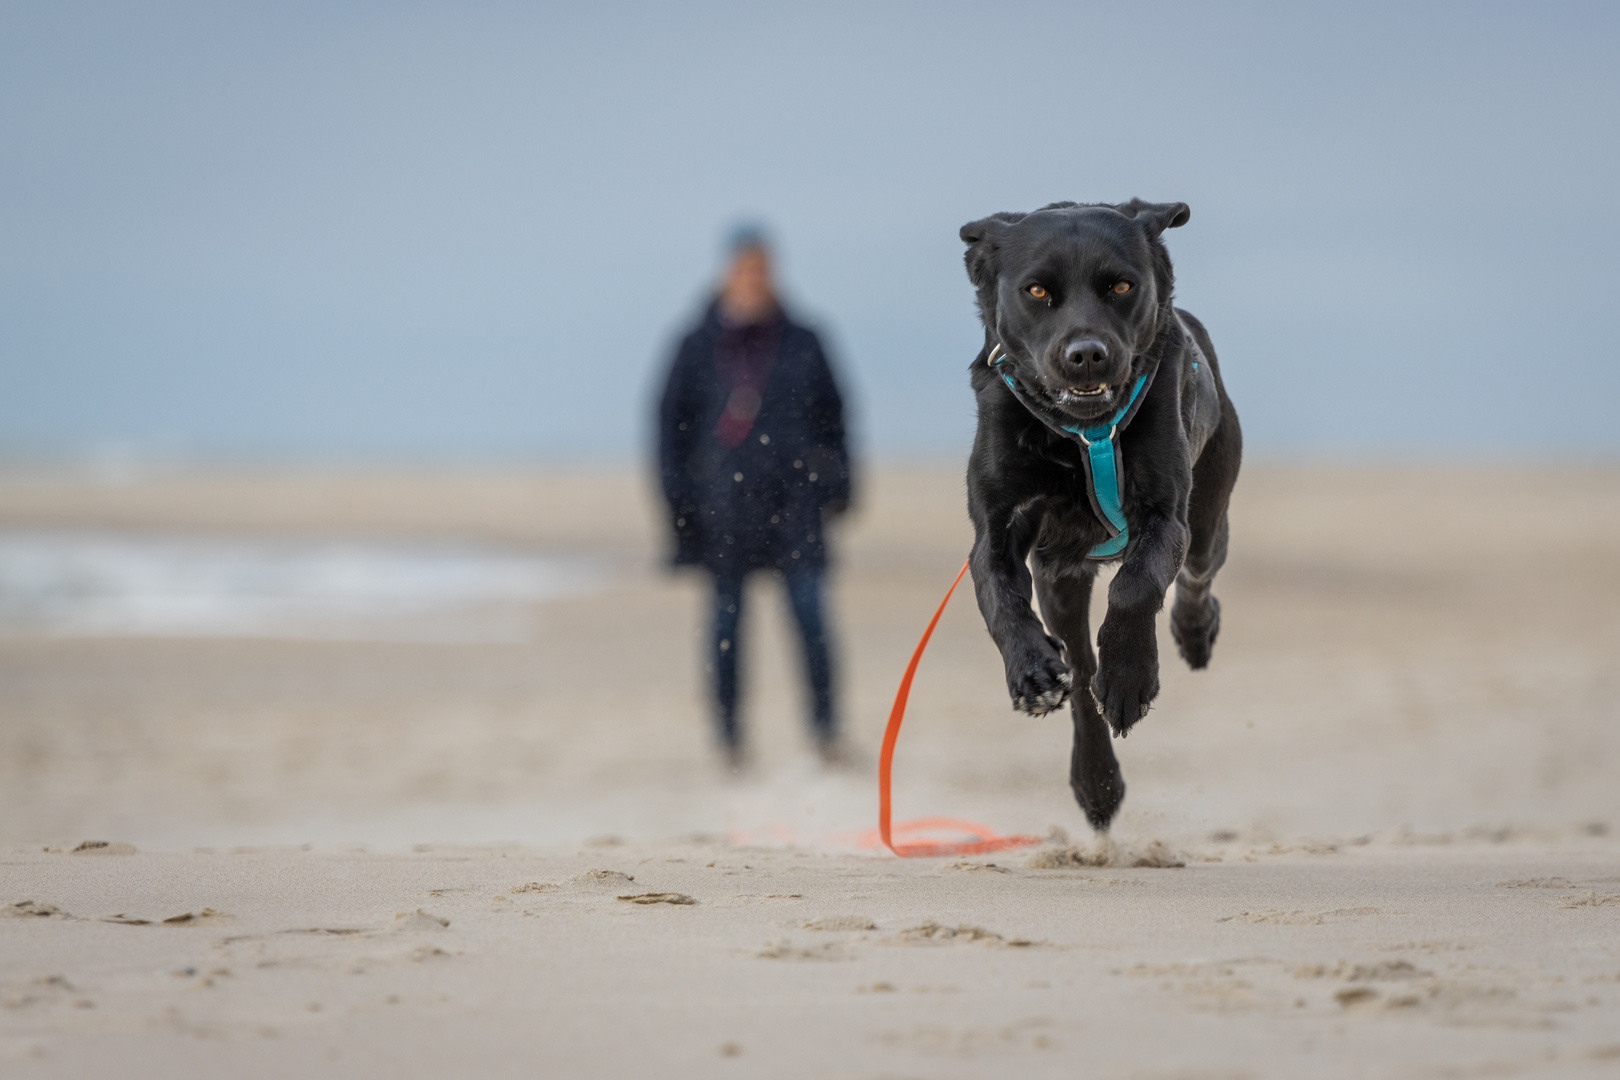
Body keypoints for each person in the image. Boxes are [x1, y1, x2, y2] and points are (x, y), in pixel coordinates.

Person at [657, 227, 853, 769]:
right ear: (727, 274)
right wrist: (677, 506)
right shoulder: (694, 344)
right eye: (745, 270)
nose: (754, 280)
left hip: (796, 502)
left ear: (773, 274)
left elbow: (836, 417)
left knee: (812, 618)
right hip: (722, 507)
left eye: (762, 270)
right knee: (724, 625)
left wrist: (840, 488)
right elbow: (667, 429)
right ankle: (728, 739)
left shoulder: (806, 338)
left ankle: (825, 733)